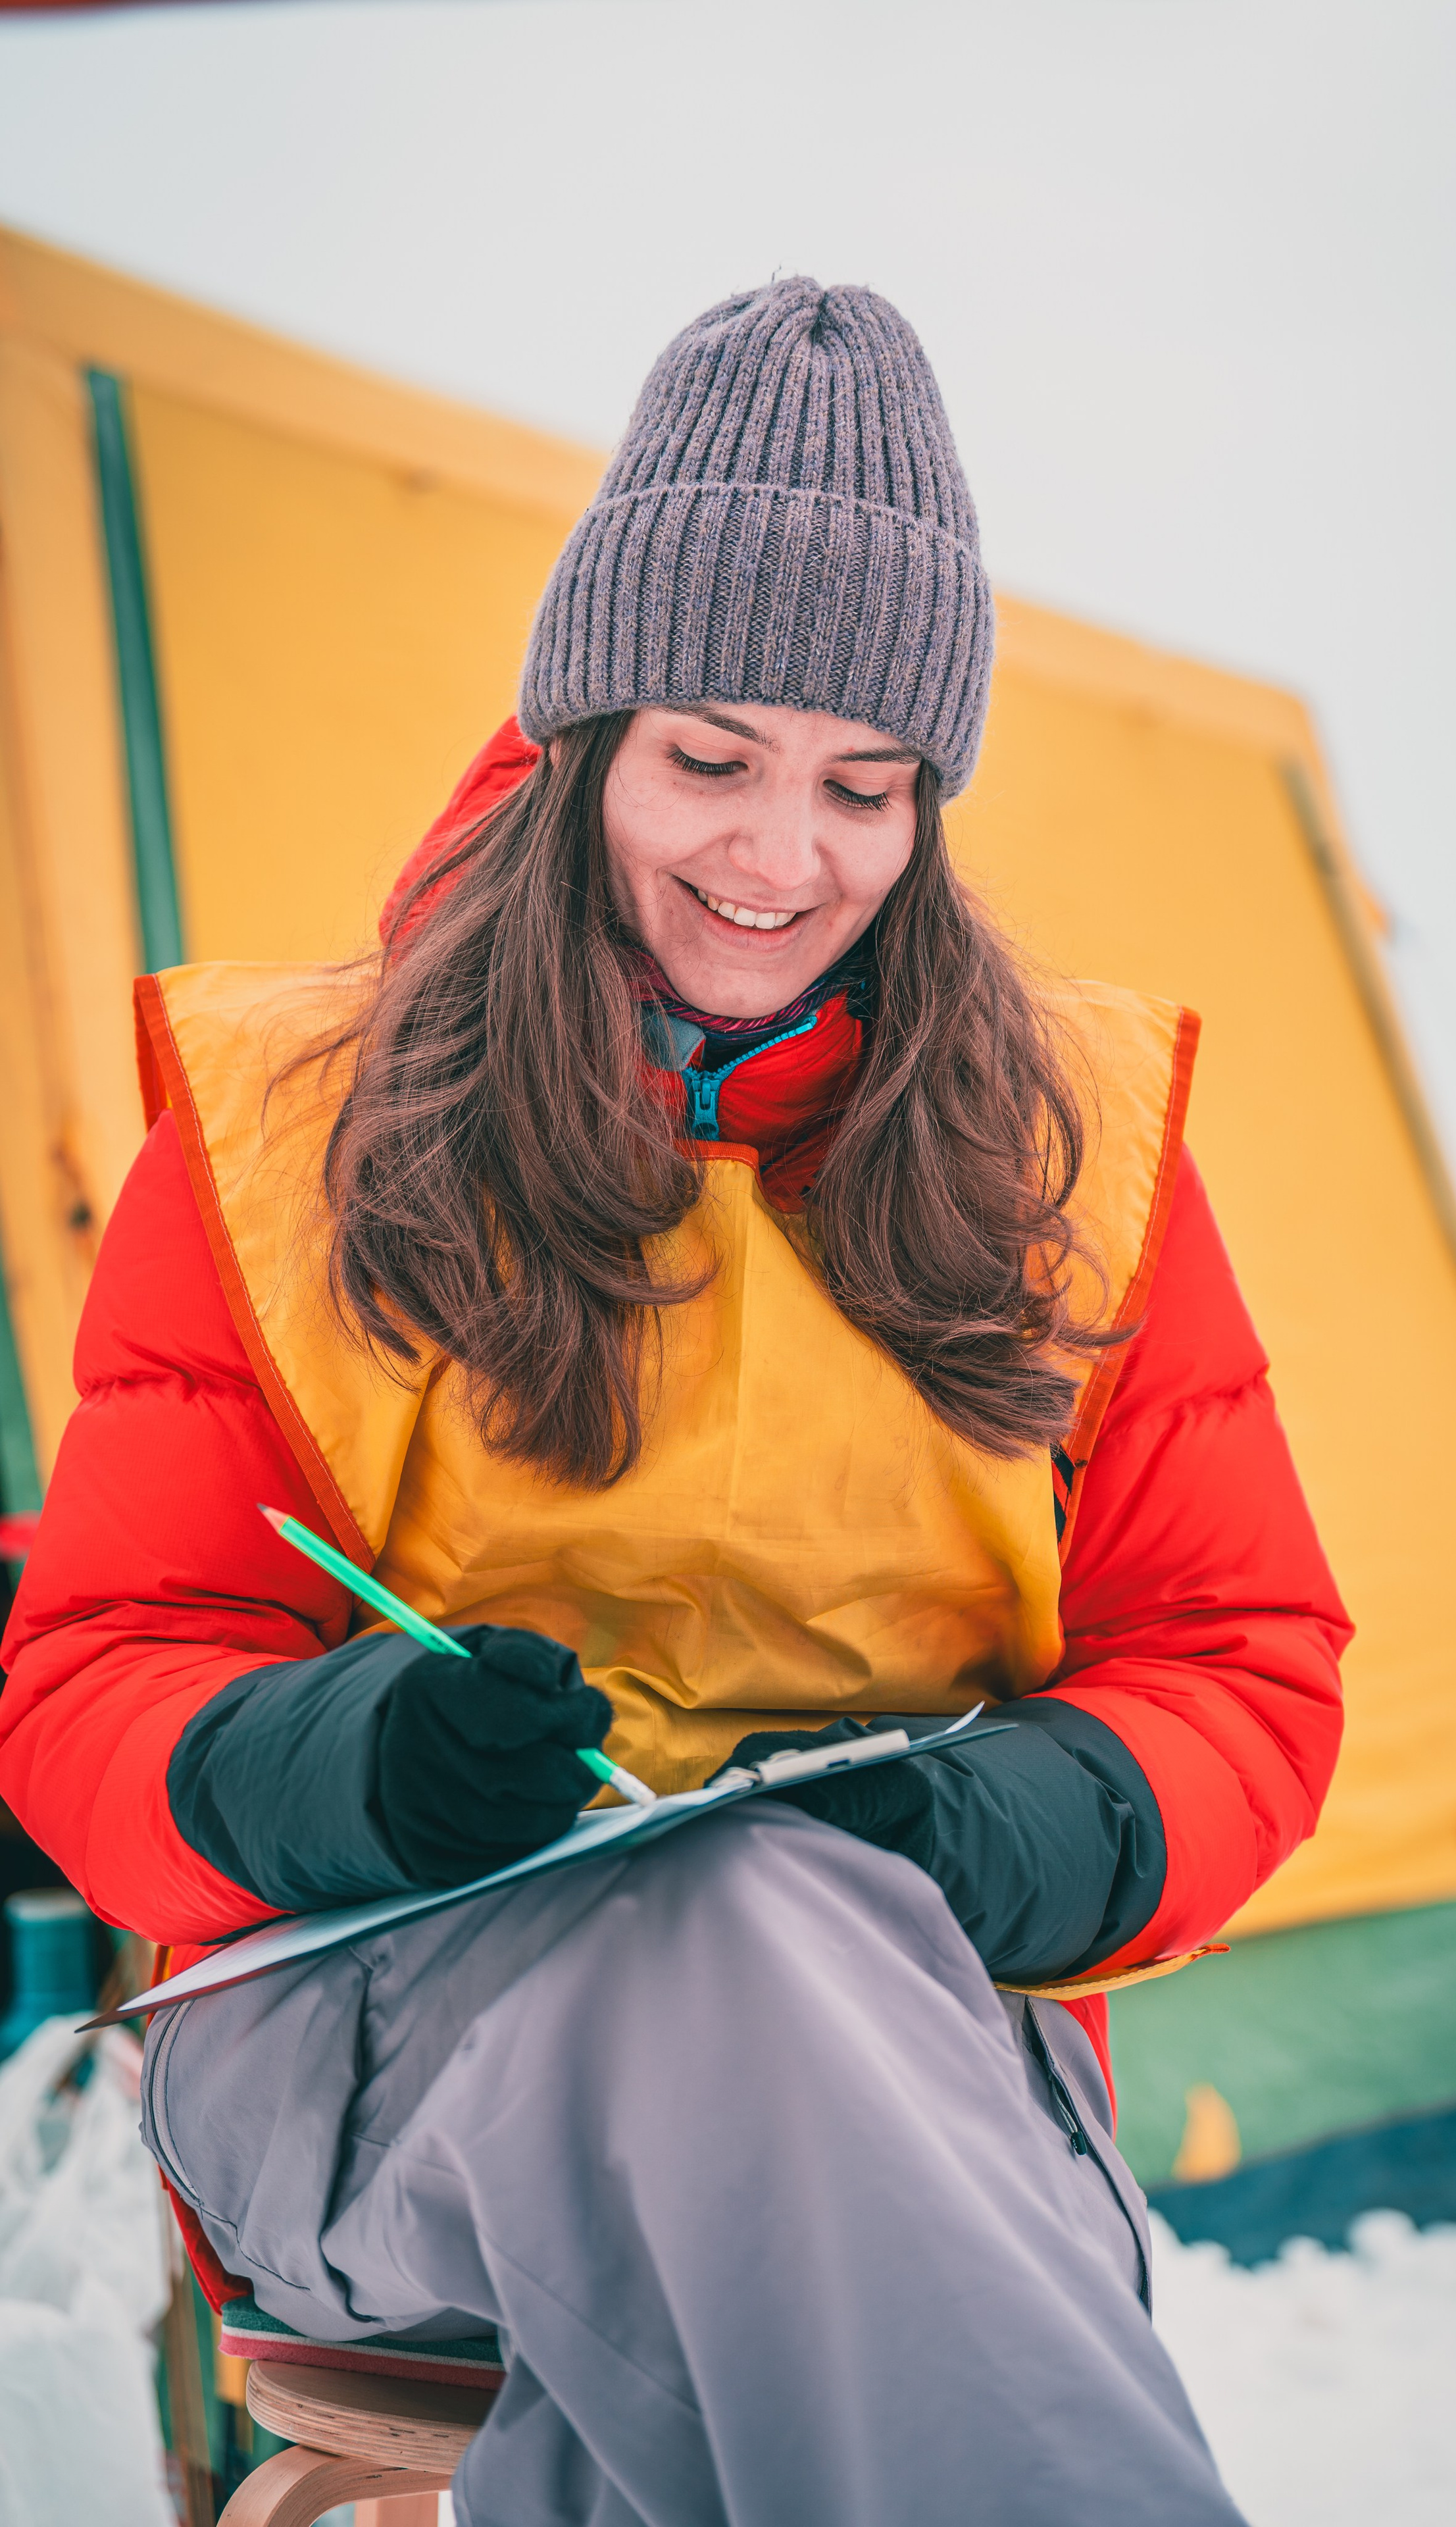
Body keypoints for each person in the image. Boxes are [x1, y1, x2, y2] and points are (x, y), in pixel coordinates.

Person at [0, 280, 1348, 2526]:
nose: (777, 859)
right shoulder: (289, 1126)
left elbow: (1245, 1666)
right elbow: (90, 1684)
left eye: (863, 784)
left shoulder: (1075, 1153)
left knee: (768, 1977)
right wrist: (353, 1766)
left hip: (914, 2050)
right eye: (710, 757)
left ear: (931, 801)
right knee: (735, 1994)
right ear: (578, 746)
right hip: (373, 2046)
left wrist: (1005, 1829)